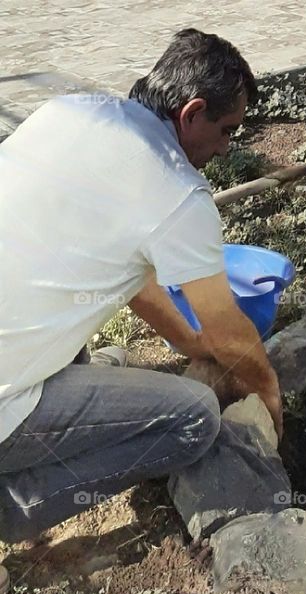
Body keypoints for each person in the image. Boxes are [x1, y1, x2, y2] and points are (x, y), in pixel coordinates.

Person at [0, 29, 282, 560]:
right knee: (196, 415)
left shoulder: (70, 113)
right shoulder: (177, 194)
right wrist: (268, 393)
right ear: (192, 113)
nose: (225, 148)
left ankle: (67, 384)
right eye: (225, 131)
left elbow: (133, 283)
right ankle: (15, 503)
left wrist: (193, 347)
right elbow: (227, 331)